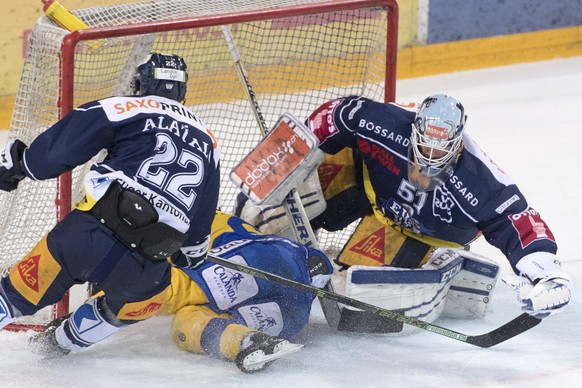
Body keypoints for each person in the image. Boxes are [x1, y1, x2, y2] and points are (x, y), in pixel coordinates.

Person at [0, 53, 221, 355]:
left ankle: (24, 313)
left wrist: (22, 164)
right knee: (135, 304)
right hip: (145, 268)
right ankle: (57, 344)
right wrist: (191, 255)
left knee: (12, 298)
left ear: (141, 82)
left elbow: (65, 145)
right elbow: (201, 217)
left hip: (86, 237)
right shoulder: (209, 142)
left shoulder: (127, 106)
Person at [301, 94, 572, 321]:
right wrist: (289, 153)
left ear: (457, 146)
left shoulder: (478, 180)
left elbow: (518, 220)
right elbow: (338, 114)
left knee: (353, 300)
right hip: (375, 193)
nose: (429, 159)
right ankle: (270, 232)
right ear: (414, 131)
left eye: (440, 151)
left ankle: (438, 261)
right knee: (313, 171)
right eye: (424, 147)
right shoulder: (383, 123)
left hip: (420, 232)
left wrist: (547, 273)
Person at [160, 210, 333, 373]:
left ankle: (245, 339)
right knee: (182, 329)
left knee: (168, 291)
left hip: (256, 261)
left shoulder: (192, 220)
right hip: (292, 308)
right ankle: (245, 340)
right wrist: (315, 264)